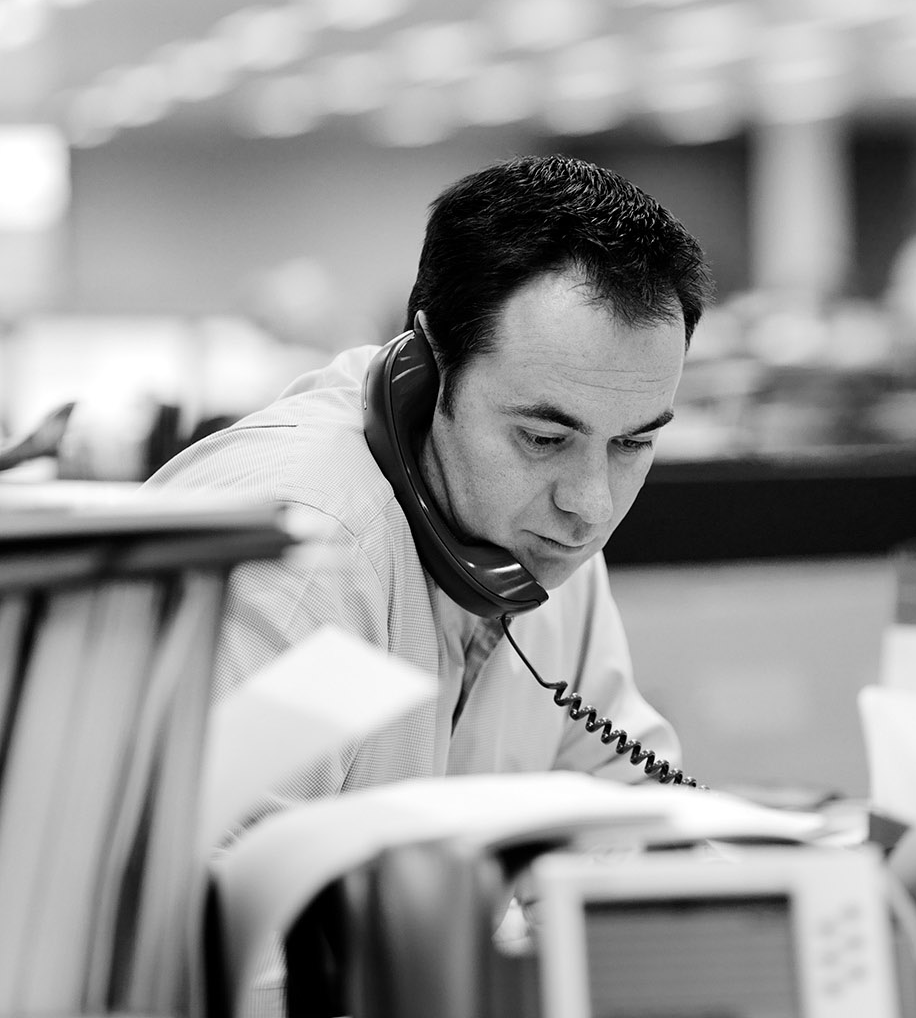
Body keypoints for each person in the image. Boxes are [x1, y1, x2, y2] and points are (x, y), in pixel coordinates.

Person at [149, 154, 714, 836]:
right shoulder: (296, 550)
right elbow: (191, 882)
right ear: (427, 369)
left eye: (632, 443)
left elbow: (628, 809)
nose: (591, 506)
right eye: (543, 438)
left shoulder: (544, 536)